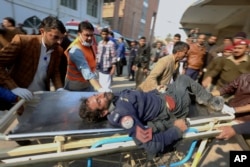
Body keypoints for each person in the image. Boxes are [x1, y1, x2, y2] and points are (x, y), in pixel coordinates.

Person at [78, 75, 224, 157]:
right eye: (99, 100)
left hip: (162, 95)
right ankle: (213, 101)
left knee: (180, 83)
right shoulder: (124, 116)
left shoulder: (112, 100)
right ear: (103, 112)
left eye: (96, 95)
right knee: (183, 80)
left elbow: (137, 100)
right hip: (174, 106)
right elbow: (151, 145)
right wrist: (177, 130)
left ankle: (198, 97)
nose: (101, 94)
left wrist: (155, 91)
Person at [0, 16, 66, 101]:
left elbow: (54, 71)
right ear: (42, 32)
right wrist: (14, 88)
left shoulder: (58, 50)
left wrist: (59, 88)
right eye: (55, 37)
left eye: (62, 38)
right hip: (19, 98)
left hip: (40, 96)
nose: (59, 42)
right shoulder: (23, 42)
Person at [64, 21, 103, 92]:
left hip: (87, 85)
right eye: (87, 35)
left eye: (91, 35)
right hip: (75, 87)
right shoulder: (75, 50)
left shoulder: (89, 44)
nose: (90, 38)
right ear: (79, 34)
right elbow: (87, 73)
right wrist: (100, 89)